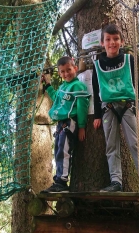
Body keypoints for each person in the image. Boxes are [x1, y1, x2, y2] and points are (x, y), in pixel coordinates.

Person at [92, 24, 139, 193]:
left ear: (122, 41)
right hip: (107, 108)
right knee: (111, 146)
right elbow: (96, 91)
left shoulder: (128, 60)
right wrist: (96, 114)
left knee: (135, 144)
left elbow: (136, 84)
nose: (112, 43)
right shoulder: (97, 65)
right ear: (102, 43)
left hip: (127, 106)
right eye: (108, 39)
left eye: (116, 39)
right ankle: (116, 182)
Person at [40, 56, 90, 193]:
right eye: (62, 71)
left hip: (70, 122)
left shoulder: (78, 85)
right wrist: (48, 86)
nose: (66, 74)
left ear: (75, 68)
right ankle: (59, 179)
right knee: (58, 150)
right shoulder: (63, 86)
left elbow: (82, 107)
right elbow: (57, 99)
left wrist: (81, 126)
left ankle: (61, 182)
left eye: (68, 70)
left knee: (63, 150)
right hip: (61, 123)